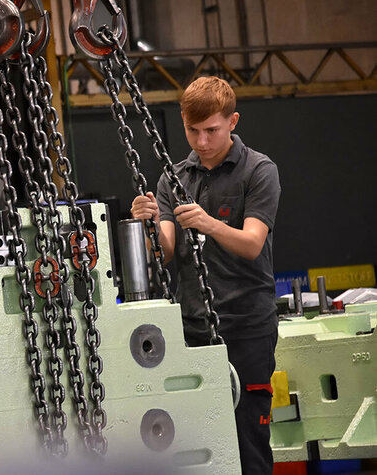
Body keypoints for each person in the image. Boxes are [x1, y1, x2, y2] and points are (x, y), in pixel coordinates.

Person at [130, 76, 281, 474]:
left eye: (211, 130)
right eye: (192, 130)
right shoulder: (172, 179)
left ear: (233, 121)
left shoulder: (259, 171)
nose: (201, 141)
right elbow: (162, 251)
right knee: (198, 445)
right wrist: (145, 223)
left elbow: (251, 243)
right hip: (192, 329)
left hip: (247, 328)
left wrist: (208, 223)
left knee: (248, 440)